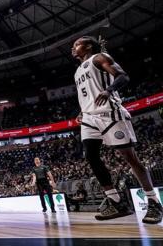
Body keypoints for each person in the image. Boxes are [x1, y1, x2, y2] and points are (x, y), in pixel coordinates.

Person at [72, 36, 162, 223]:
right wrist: (82, 111)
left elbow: (123, 76)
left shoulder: (99, 58)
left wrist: (109, 90)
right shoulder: (78, 70)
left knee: (129, 157)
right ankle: (115, 199)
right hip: (89, 117)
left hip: (109, 113)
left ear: (88, 46)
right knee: (91, 155)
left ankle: (153, 201)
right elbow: (87, 92)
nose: (73, 47)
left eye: (77, 44)